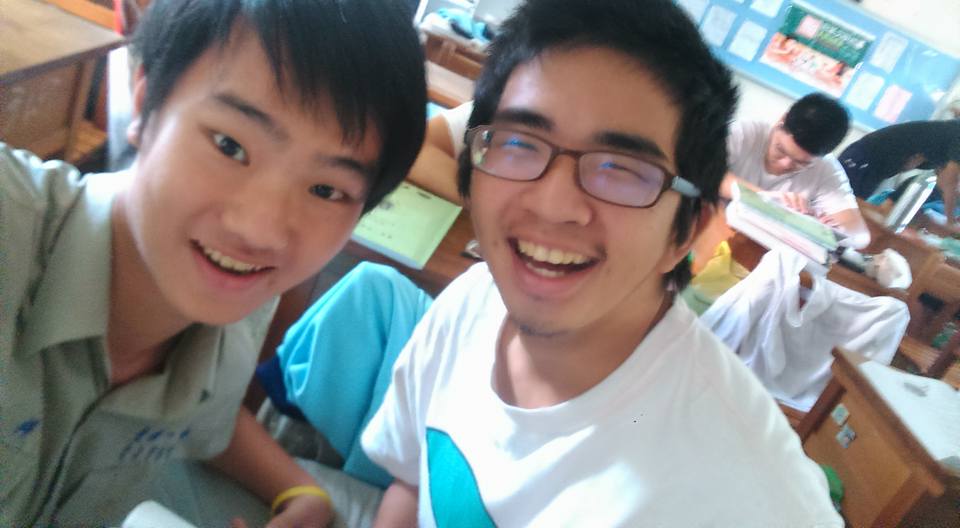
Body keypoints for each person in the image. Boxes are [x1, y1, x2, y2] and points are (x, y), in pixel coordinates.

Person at [352, 0, 842, 525]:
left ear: (685, 233)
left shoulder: (745, 495)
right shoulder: (472, 301)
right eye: (520, 142)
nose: (552, 205)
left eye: (622, 168)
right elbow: (411, 487)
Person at [0, 0, 426, 526]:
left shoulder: (233, 315)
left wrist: (304, 492)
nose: (259, 232)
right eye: (229, 146)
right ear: (145, 104)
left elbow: (207, 421)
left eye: (325, 189)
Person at [721, 93, 870, 248]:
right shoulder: (746, 132)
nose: (785, 164)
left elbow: (860, 237)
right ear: (781, 120)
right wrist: (765, 200)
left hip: (756, 247)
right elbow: (707, 172)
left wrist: (822, 229)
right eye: (781, 149)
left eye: (801, 163)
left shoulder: (826, 169)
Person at [838, 119, 960, 228]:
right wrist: (950, 221)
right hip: (865, 158)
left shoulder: (948, 138)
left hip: (877, 167)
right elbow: (948, 181)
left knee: (848, 214)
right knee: (841, 207)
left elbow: (943, 180)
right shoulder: (956, 133)